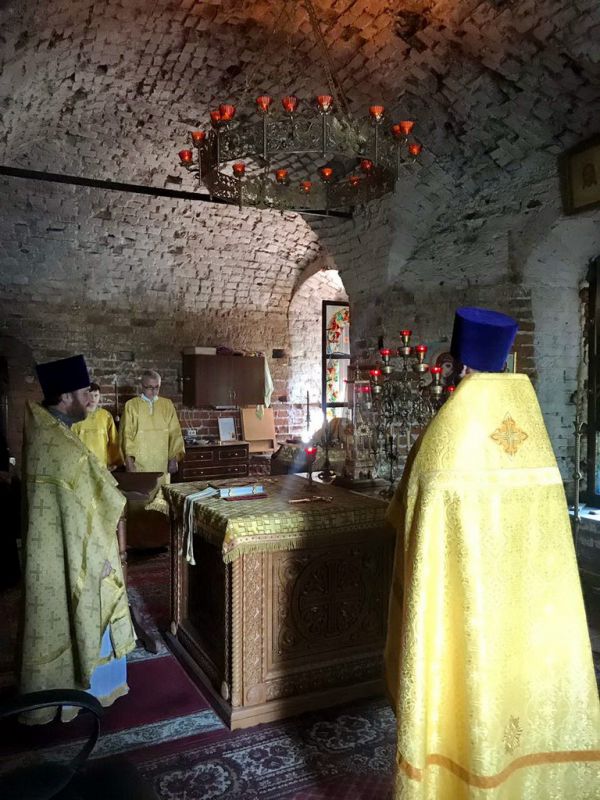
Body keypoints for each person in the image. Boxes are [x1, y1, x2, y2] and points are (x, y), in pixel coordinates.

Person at [384, 307, 600, 798]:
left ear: (461, 366)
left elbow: (409, 510)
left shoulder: (447, 431)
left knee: (466, 681)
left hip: (463, 602)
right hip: (530, 610)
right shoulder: (534, 433)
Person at [20, 355, 135, 724]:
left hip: (57, 548)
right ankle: (86, 689)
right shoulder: (59, 445)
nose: (90, 399)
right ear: (65, 396)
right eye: (85, 392)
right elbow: (92, 501)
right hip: (78, 548)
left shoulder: (47, 430)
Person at [119, 369, 184, 481]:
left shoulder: (167, 405)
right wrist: (129, 462)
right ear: (142, 386)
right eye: (149, 387)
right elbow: (126, 435)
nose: (154, 391)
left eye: (157, 387)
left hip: (162, 463)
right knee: (142, 490)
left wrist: (173, 459)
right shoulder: (131, 405)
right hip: (138, 463)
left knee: (162, 490)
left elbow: (175, 433)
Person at [72, 381, 123, 469]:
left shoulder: (106, 416)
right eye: (90, 395)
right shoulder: (76, 416)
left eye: (96, 395)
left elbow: (113, 440)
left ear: (99, 396)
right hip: (81, 464)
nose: (93, 398)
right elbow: (72, 440)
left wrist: (114, 462)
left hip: (101, 464)